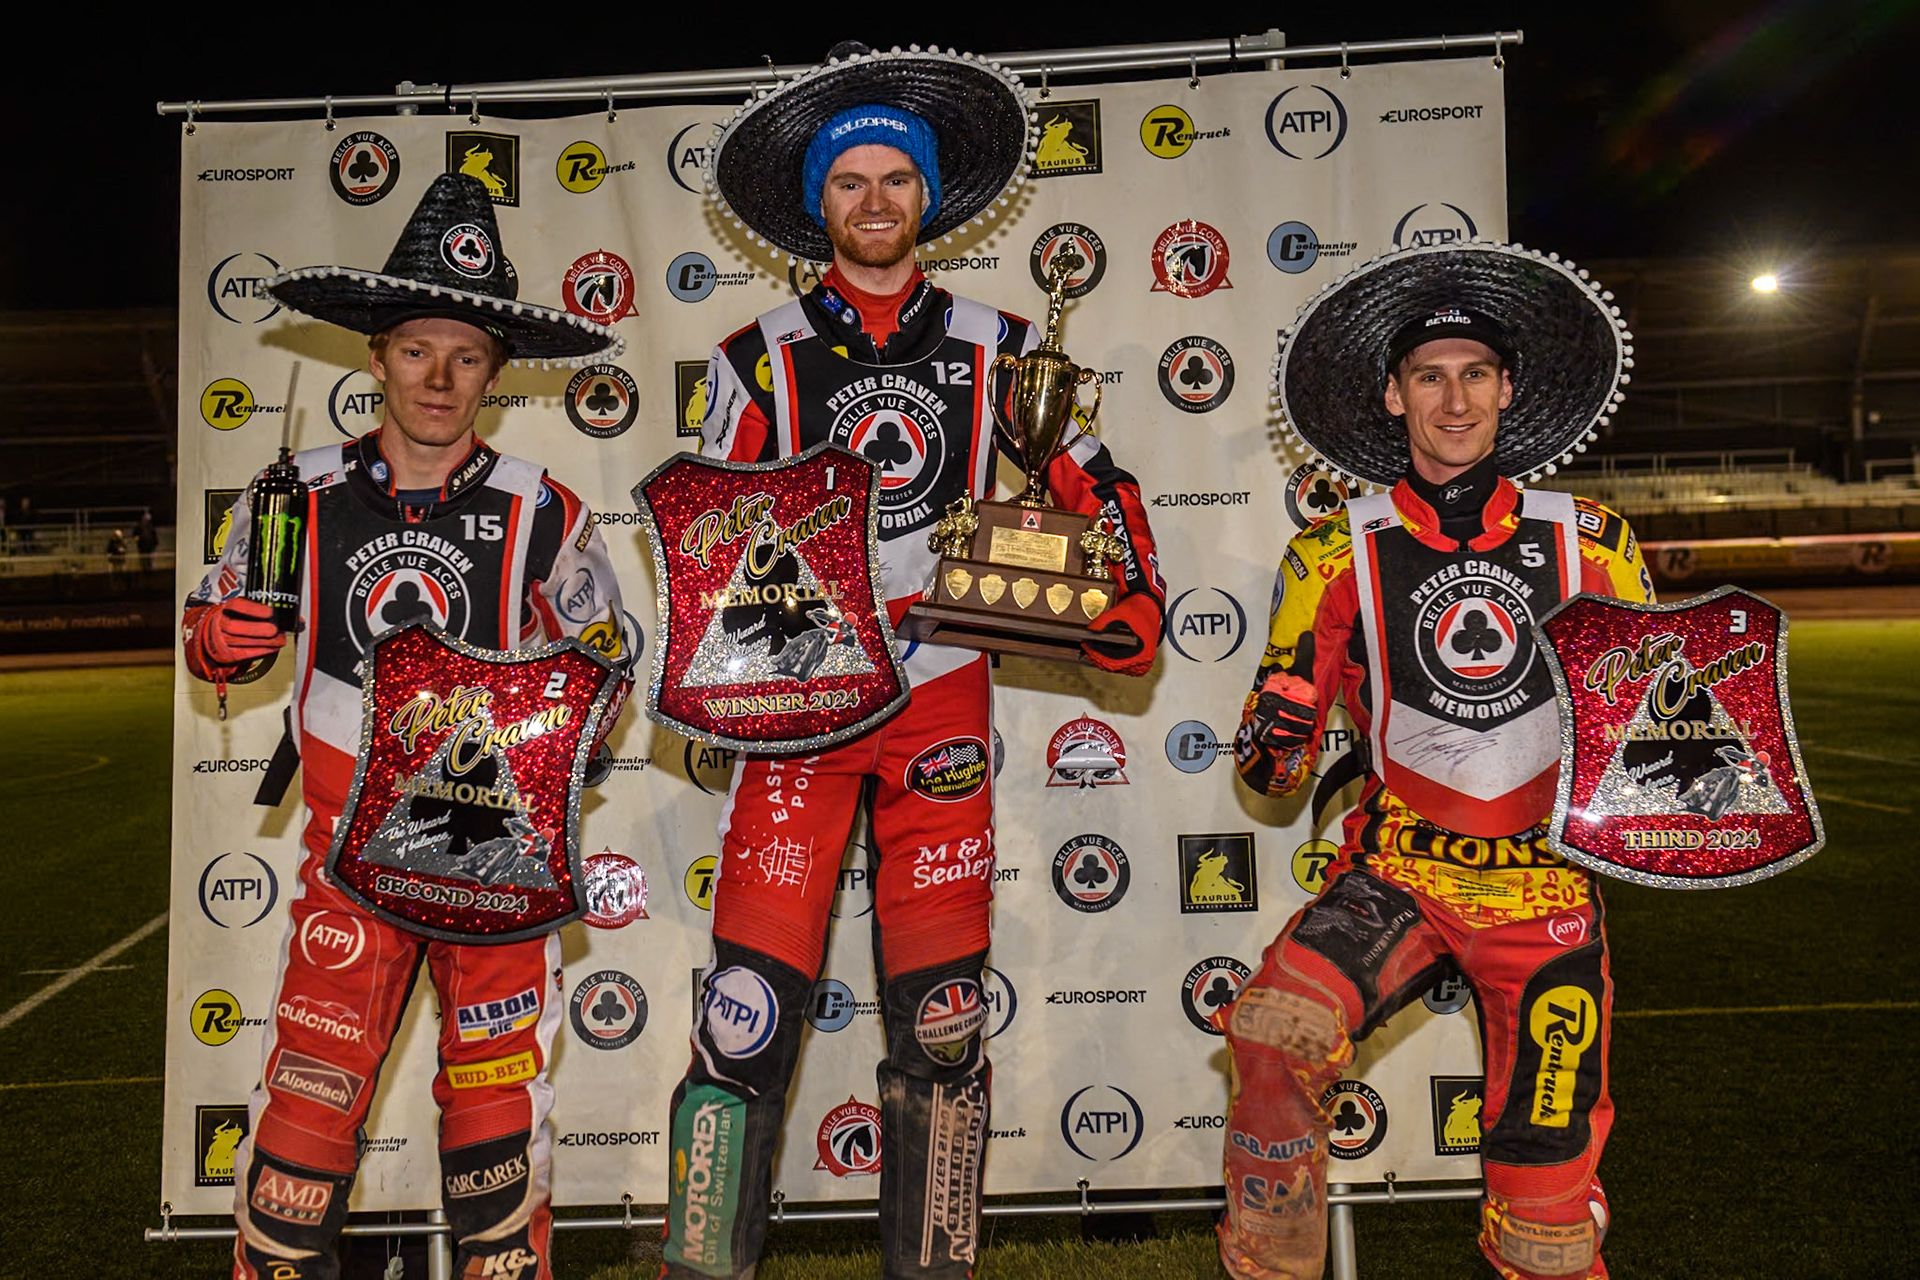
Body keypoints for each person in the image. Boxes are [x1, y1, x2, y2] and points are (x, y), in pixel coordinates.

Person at [665, 42, 1165, 1280]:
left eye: (898, 179)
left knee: (941, 1030)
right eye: (852, 183)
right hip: (801, 707)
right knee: (745, 1025)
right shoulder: (752, 358)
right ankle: (701, 1262)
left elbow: (1093, 486)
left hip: (941, 701)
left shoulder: (1006, 342)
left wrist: (1129, 586)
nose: (875, 201)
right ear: (819, 203)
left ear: (928, 197)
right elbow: (706, 550)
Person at [183, 173, 632, 1280]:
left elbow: (609, 671)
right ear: (376, 357)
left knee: (495, 1128)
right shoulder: (296, 491)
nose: (441, 378)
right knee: (304, 1111)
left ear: (496, 368)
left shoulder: (544, 507)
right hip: (349, 857)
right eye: (418, 350)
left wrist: (581, 699)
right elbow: (213, 628)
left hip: (497, 858)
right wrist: (220, 638)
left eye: (468, 354)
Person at [1219, 242, 1653, 1280]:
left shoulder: (1594, 538)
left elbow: (1640, 730)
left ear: (1507, 390)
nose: (1453, 399)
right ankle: (1269, 1265)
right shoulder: (1332, 550)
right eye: (1429, 376)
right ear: (1392, 393)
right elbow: (1269, 769)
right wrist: (1277, 725)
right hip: (1397, 873)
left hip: (1543, 889)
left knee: (1547, 1225)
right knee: (1273, 1029)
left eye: (1473, 375)